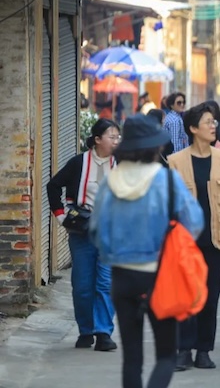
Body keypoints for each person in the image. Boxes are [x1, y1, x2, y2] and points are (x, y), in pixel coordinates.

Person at [89, 114, 204, 388]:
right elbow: (195, 223)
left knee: (131, 358)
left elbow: (94, 231)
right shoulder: (167, 181)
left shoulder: (110, 182)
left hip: (121, 278)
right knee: (166, 355)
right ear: (155, 147)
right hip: (160, 276)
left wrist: (117, 253)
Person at [168, 103, 220, 371]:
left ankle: (204, 350)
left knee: (209, 298)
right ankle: (183, 350)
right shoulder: (175, 162)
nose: (214, 126)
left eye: (214, 122)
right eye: (208, 122)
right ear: (192, 129)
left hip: (217, 238)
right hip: (185, 242)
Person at [46, 118, 120, 351]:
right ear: (97, 140)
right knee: (82, 284)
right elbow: (54, 185)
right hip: (82, 231)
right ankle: (86, 331)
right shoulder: (78, 163)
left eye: (118, 137)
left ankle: (103, 332)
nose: (116, 141)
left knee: (106, 283)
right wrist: (60, 215)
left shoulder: (123, 164)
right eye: (112, 136)